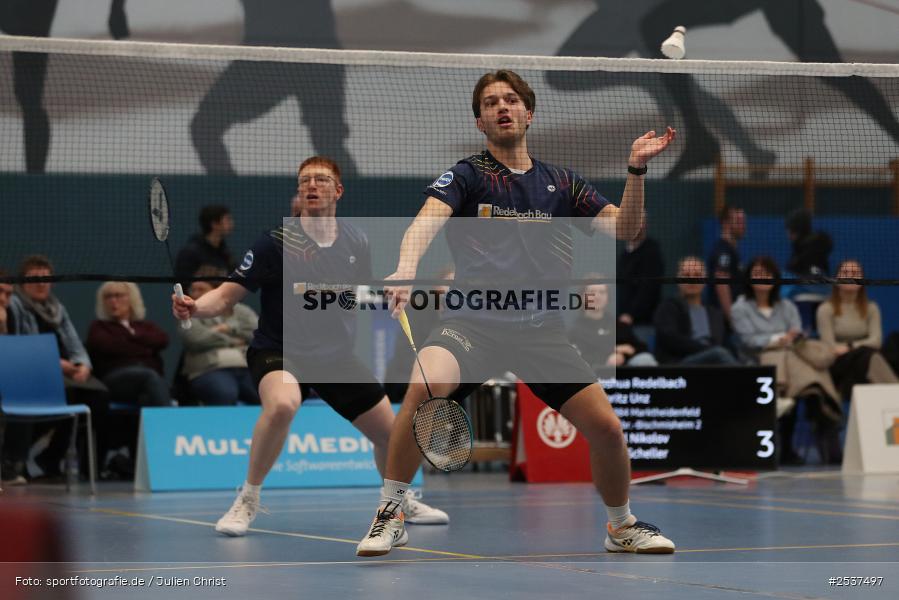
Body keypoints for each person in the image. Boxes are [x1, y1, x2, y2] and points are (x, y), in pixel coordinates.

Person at [355, 70, 677, 557]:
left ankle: (620, 525)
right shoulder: (467, 175)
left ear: (530, 112)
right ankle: (391, 512)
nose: (502, 107)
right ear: (480, 121)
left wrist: (635, 171)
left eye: (511, 100)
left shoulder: (562, 183)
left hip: (540, 331)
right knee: (422, 387)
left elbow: (627, 230)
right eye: (490, 103)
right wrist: (404, 268)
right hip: (473, 324)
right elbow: (424, 224)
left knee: (608, 429)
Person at [172, 156, 447, 536]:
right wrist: (195, 306)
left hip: (334, 356)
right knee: (284, 403)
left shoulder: (356, 240)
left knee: (390, 433)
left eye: (320, 180)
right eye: (304, 181)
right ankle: (248, 499)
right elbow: (225, 298)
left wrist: (393, 293)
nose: (311, 186)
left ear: (338, 191)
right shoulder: (274, 243)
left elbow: (359, 293)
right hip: (279, 350)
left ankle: (396, 502)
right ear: (299, 192)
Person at [190, 0, 356, 176]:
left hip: (318, 60)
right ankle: (230, 194)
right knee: (204, 126)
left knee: (328, 141)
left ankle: (359, 199)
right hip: (264, 63)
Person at [730, 256, 841, 465]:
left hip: (789, 365)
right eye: (757, 274)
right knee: (791, 366)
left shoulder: (787, 306)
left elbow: (796, 334)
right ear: (748, 279)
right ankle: (819, 399)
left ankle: (790, 422)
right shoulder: (740, 308)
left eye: (767, 274)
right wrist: (779, 339)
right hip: (756, 364)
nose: (762, 279)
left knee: (792, 374)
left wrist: (788, 339)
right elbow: (748, 341)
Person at [7, 255, 109, 478]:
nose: (42, 283)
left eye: (46, 278)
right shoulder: (15, 305)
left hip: (66, 373)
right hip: (35, 375)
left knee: (97, 398)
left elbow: (74, 343)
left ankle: (51, 457)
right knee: (56, 399)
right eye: (34, 279)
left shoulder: (57, 308)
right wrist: (56, 364)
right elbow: (21, 348)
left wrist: (83, 364)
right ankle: (13, 459)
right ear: (22, 282)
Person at [816, 259, 899, 401]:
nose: (850, 276)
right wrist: (858, 347)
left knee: (888, 345)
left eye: (855, 273)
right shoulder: (825, 309)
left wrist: (850, 346)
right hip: (838, 364)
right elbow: (829, 347)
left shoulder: (871, 308)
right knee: (868, 356)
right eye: (846, 273)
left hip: (862, 360)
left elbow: (876, 341)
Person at [181, 266, 260, 406]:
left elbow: (257, 334)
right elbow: (196, 339)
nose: (195, 294)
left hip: (246, 366)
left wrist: (226, 329)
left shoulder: (243, 311)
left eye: (201, 289)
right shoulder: (188, 313)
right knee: (225, 392)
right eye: (193, 289)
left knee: (268, 391)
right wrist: (236, 340)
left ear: (215, 292)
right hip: (209, 370)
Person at [86, 282, 171, 408]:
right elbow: (109, 346)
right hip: (115, 380)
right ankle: (169, 425)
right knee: (150, 377)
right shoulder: (98, 327)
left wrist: (131, 339)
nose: (113, 301)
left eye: (118, 295)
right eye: (108, 296)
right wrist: (146, 350)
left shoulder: (145, 326)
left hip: (147, 379)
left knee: (149, 394)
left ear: (131, 298)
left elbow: (163, 340)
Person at [653, 257, 737, 365]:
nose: (692, 279)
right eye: (687, 275)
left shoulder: (715, 313)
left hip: (715, 363)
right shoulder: (667, 308)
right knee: (719, 354)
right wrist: (707, 349)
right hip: (680, 363)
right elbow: (670, 339)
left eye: (697, 275)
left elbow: (726, 343)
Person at [569, 278, 657, 370]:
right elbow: (581, 356)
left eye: (602, 292)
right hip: (594, 376)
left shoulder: (618, 325)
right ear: (582, 297)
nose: (597, 296)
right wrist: (613, 351)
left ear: (607, 298)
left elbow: (639, 348)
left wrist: (621, 356)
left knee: (645, 359)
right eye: (592, 291)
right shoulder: (574, 330)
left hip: (624, 375)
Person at [616, 214, 663, 331]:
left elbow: (649, 288)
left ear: (645, 225)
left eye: (639, 222)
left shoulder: (652, 251)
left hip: (644, 322)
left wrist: (631, 315)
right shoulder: (624, 255)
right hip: (623, 320)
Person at [173, 205, 236, 284]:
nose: (231, 223)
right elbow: (183, 283)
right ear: (215, 224)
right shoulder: (190, 253)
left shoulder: (226, 255)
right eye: (227, 220)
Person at [706, 205, 745, 323]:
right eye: (738, 222)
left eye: (743, 221)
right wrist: (731, 320)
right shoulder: (723, 252)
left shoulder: (732, 250)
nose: (743, 226)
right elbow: (722, 284)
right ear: (725, 223)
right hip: (723, 322)